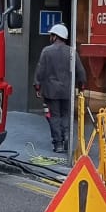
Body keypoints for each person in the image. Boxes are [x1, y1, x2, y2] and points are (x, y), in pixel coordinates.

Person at [34, 23, 85, 155]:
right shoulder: (72, 52)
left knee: (54, 116)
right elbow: (80, 71)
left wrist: (37, 86)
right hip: (67, 91)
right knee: (66, 116)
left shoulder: (46, 51)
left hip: (51, 91)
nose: (50, 37)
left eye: (51, 35)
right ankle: (67, 137)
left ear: (55, 36)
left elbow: (40, 71)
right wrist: (81, 86)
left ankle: (58, 144)